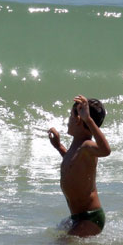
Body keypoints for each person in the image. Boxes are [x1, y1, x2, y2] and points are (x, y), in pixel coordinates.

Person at [48, 95, 111, 237]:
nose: (68, 120)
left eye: (71, 116)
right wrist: (59, 147)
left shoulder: (87, 146)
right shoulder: (76, 147)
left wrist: (88, 120)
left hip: (90, 217)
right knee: (57, 237)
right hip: (77, 217)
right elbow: (72, 164)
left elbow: (106, 150)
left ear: (78, 120)